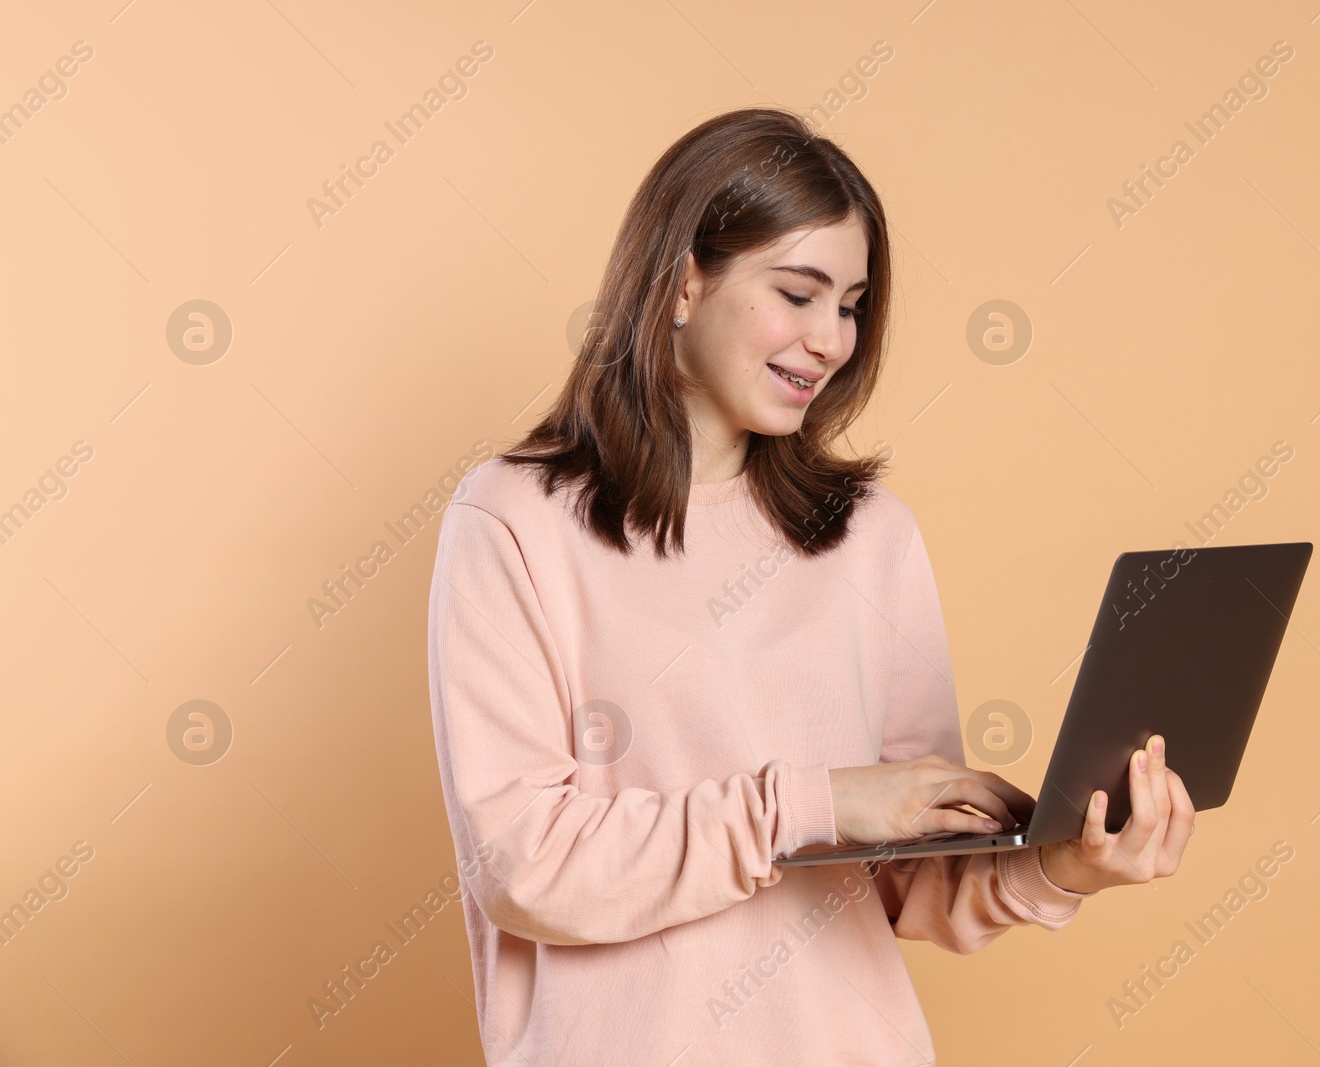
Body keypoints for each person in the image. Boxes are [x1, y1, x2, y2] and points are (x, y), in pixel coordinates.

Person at [426, 106, 1195, 1067]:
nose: (831, 338)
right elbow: (526, 866)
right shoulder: (515, 522)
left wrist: (1063, 864)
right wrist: (819, 803)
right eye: (799, 292)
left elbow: (910, 875)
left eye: (853, 303)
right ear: (679, 281)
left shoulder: (871, 537)